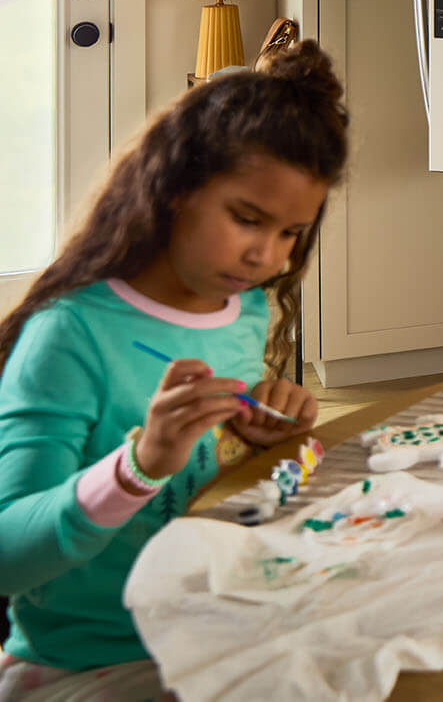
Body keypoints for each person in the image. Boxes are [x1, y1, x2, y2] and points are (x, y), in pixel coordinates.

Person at [0, 41, 348, 700]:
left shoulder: (241, 310)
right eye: (247, 219)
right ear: (176, 188)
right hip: (85, 662)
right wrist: (137, 468)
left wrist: (257, 440)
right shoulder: (69, 335)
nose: (265, 256)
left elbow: (204, 485)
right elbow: (9, 557)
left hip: (211, 634)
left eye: (288, 234)